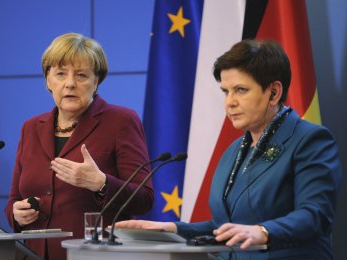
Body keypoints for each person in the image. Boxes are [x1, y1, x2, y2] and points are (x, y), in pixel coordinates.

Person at [115, 39, 343, 259]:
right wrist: (172, 230)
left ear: (273, 92)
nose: (230, 102)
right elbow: (223, 227)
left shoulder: (310, 140)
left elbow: (315, 215)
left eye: (241, 90)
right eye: (226, 91)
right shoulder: (234, 150)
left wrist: (263, 232)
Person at [5, 32, 154, 260]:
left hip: (92, 255)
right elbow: (14, 200)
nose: (70, 83)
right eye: (61, 74)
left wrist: (101, 183)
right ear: (48, 80)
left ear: (96, 82)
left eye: (82, 75)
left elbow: (145, 198)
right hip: (32, 254)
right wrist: (17, 214)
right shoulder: (31, 127)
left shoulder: (120, 121)